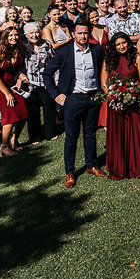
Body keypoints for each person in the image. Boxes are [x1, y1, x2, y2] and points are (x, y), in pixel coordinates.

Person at [44, 23, 107, 187]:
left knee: (90, 134)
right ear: (73, 34)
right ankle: (70, 172)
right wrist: (56, 95)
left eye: (86, 33)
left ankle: (91, 164)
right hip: (73, 99)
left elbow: (104, 69)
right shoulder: (64, 52)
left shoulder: (97, 50)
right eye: (79, 33)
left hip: (93, 98)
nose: (83, 36)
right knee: (71, 137)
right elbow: (47, 73)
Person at [102, 32, 140, 180]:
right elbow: (104, 83)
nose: (121, 46)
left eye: (124, 43)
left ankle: (136, 165)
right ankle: (119, 165)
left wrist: (131, 96)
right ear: (113, 47)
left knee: (135, 134)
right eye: (118, 44)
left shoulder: (136, 57)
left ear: (128, 43)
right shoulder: (108, 60)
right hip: (115, 104)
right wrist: (114, 98)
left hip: (133, 103)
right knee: (118, 135)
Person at [0, 27, 29, 157]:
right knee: (10, 113)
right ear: (5, 37)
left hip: (11, 84)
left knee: (23, 110)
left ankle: (14, 140)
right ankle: (4, 147)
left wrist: (20, 75)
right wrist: (7, 93)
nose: (14, 38)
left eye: (16, 35)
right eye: (11, 36)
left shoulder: (18, 49)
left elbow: (18, 68)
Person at [22, 21, 56, 144]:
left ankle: (50, 133)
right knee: (32, 110)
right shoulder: (23, 46)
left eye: (37, 32)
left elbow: (54, 61)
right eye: (31, 33)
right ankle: (35, 136)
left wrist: (56, 78)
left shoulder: (46, 44)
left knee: (49, 108)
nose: (34, 35)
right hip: (30, 83)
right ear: (26, 35)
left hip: (46, 81)